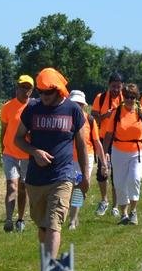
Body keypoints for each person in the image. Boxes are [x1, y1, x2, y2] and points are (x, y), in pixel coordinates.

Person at [14, 69, 89, 258]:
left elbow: (81, 146)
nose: (44, 96)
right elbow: (19, 139)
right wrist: (34, 151)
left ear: (59, 90)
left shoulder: (73, 110)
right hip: (36, 178)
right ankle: (47, 260)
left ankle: (49, 269)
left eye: (48, 92)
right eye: (41, 92)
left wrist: (85, 176)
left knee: (54, 223)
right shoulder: (32, 108)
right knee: (43, 225)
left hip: (62, 176)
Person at [100, 83, 142, 225]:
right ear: (124, 97)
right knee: (119, 183)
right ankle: (124, 214)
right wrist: (104, 153)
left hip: (139, 151)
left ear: (137, 98)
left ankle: (133, 211)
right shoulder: (117, 112)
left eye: (133, 97)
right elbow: (108, 134)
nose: (130, 100)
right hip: (119, 151)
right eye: (127, 97)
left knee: (134, 179)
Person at [0, 74, 34, 233]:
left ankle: (20, 219)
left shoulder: (34, 108)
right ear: (17, 88)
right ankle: (8, 220)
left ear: (32, 91)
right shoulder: (7, 107)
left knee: (23, 188)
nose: (25, 91)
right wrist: (2, 148)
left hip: (27, 154)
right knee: (11, 185)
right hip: (10, 153)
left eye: (28, 88)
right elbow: (4, 130)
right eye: (22, 87)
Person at [91, 72, 125, 216]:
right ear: (108, 85)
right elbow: (93, 118)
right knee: (102, 171)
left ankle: (115, 206)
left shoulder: (127, 99)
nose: (116, 89)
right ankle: (104, 200)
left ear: (122, 86)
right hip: (103, 139)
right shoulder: (101, 98)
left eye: (118, 86)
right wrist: (106, 115)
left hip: (119, 141)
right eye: (113, 86)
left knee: (116, 174)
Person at [65, 90, 100, 230]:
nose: (76, 107)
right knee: (68, 188)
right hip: (66, 159)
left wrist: (103, 161)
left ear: (84, 106)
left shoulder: (89, 120)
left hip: (84, 159)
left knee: (79, 188)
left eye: (79, 104)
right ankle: (71, 215)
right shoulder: (63, 119)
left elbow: (96, 142)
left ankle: (73, 219)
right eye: (74, 104)